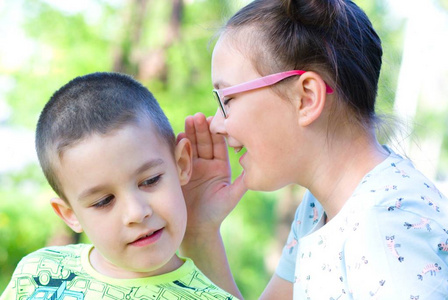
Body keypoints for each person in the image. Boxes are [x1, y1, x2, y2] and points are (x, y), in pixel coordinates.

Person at [177, 0, 448, 299]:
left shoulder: (385, 227)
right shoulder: (318, 209)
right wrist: (200, 232)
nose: (216, 124)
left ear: (306, 98)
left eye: (227, 100)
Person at [0, 72, 237, 300]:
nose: (136, 212)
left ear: (182, 164)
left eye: (150, 181)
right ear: (70, 214)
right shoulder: (38, 274)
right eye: (103, 201)